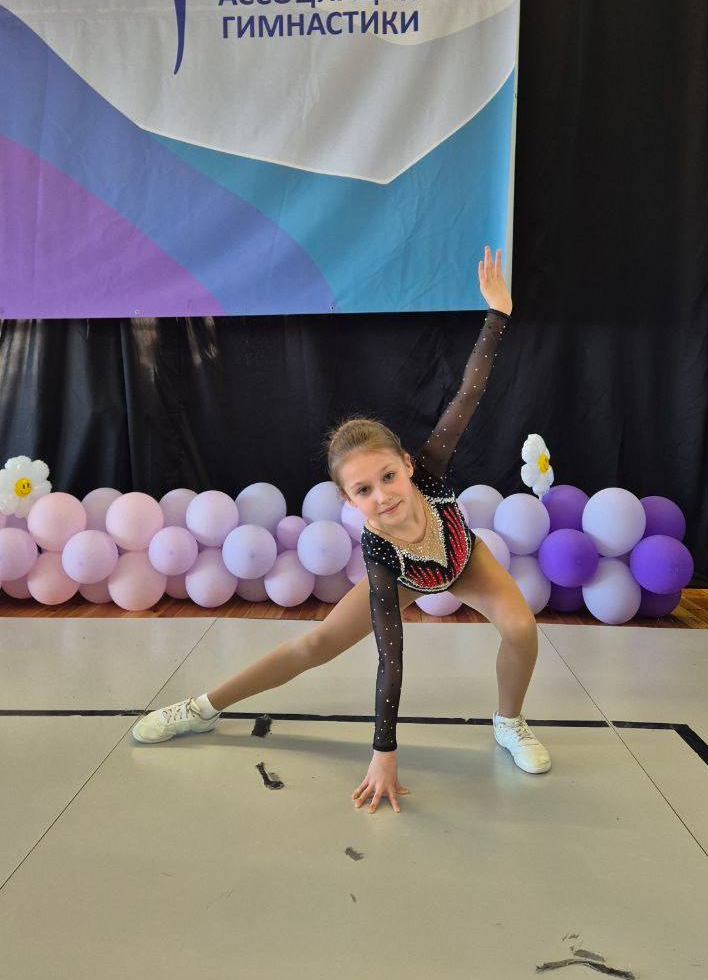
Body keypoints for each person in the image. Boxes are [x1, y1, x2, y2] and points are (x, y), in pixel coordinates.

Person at [133, 246, 551, 814]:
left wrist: (497, 314)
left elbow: (468, 394)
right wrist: (384, 751)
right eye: (364, 490)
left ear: (408, 464)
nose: (383, 495)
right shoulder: (379, 551)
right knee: (314, 645)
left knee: (521, 628)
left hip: (462, 559)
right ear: (349, 502)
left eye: (388, 476)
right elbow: (390, 654)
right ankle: (202, 708)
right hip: (407, 575)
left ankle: (509, 722)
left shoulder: (430, 472)